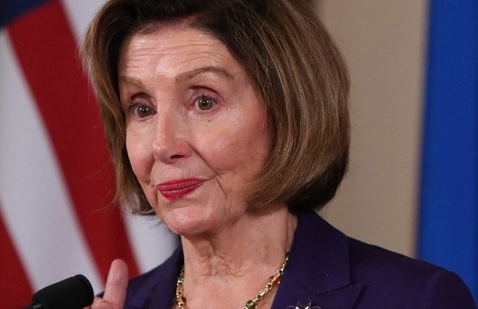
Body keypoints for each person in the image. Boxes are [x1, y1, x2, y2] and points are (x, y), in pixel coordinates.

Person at [82, 0, 477, 308]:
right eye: (142, 108)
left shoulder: (411, 300)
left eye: (203, 102)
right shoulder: (119, 305)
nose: (163, 145)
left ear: (287, 111)